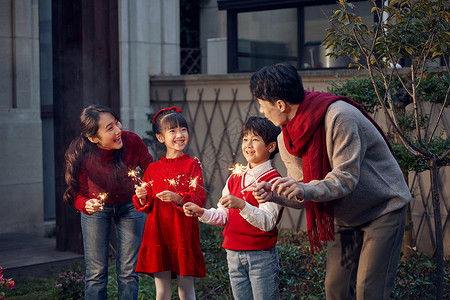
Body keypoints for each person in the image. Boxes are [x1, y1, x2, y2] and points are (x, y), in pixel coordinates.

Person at [249, 63, 411, 300]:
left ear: (281, 105)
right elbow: (303, 192)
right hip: (344, 215)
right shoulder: (287, 138)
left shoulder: (339, 116)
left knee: (370, 292)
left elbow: (345, 179)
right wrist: (274, 194)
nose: (262, 111)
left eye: (262, 104)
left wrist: (303, 188)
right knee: (335, 289)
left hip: (383, 207)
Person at [184, 116, 284, 300]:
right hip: (233, 255)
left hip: (261, 257)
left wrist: (242, 205)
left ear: (270, 147)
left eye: (255, 139)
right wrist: (202, 212)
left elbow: (267, 222)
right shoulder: (234, 178)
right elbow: (224, 215)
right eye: (245, 138)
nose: (248, 144)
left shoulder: (273, 181)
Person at [63, 104, 153, 300]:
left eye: (116, 123)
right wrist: (85, 204)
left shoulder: (132, 142)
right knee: (96, 275)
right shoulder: (80, 153)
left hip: (130, 206)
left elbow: (153, 172)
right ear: (94, 138)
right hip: (98, 210)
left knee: (129, 273)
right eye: (109, 128)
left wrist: (147, 189)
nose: (118, 130)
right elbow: (78, 194)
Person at [133, 107, 206, 300]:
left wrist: (179, 198)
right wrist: (142, 196)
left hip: (183, 233)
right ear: (160, 137)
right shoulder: (152, 169)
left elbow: (199, 197)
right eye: (172, 131)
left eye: (183, 129)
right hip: (158, 234)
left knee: (186, 289)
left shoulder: (192, 165)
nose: (180, 135)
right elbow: (146, 205)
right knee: (162, 291)